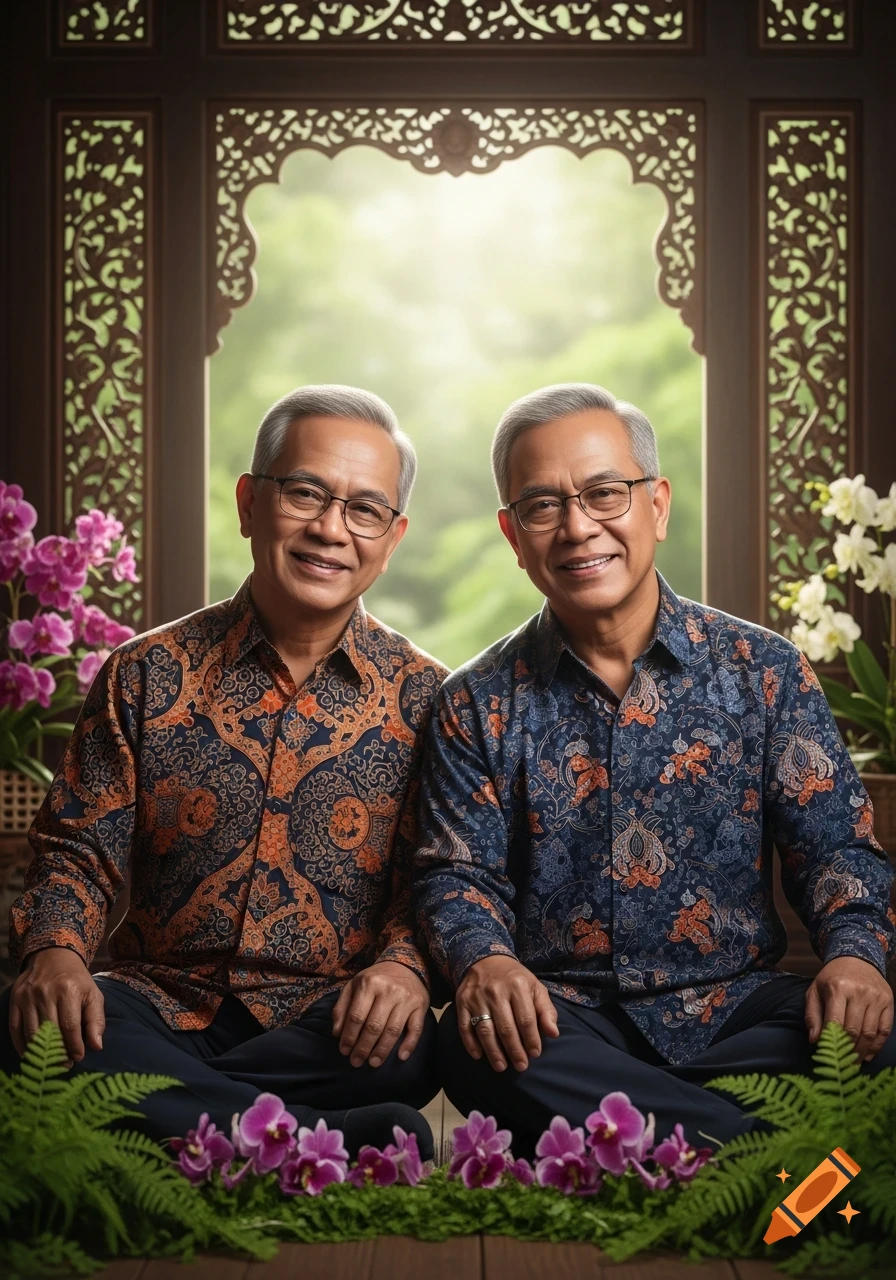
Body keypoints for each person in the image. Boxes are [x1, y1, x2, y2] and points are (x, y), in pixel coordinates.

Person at [413, 382, 896, 1158]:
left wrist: (853, 956)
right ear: (512, 532)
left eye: (605, 493)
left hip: (739, 1014)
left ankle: (651, 1147)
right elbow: (455, 877)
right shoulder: (474, 702)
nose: (577, 527)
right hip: (564, 1022)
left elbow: (838, 851)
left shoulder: (765, 671)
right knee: (473, 1046)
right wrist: (489, 961)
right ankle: (775, 1163)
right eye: (543, 506)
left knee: (878, 1037)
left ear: (658, 505)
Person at [3, 385, 447, 1157]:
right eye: (306, 492)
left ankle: (179, 1121)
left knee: (409, 1049)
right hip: (156, 1004)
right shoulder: (145, 673)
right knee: (24, 1022)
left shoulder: (430, 700)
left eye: (364, 510)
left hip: (328, 1028)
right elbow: (78, 853)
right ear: (249, 503)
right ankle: (313, 1145)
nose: (330, 529)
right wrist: (58, 953)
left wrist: (406, 971)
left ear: (393, 535)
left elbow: (438, 879)